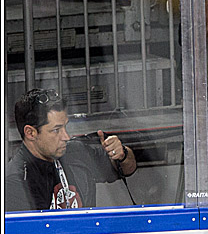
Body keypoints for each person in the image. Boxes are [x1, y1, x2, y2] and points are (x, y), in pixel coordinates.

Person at [6, 88, 136, 212]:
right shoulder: (14, 181)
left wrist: (121, 154)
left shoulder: (76, 151)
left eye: (65, 127)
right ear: (30, 133)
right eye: (56, 130)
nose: (66, 137)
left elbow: (128, 169)